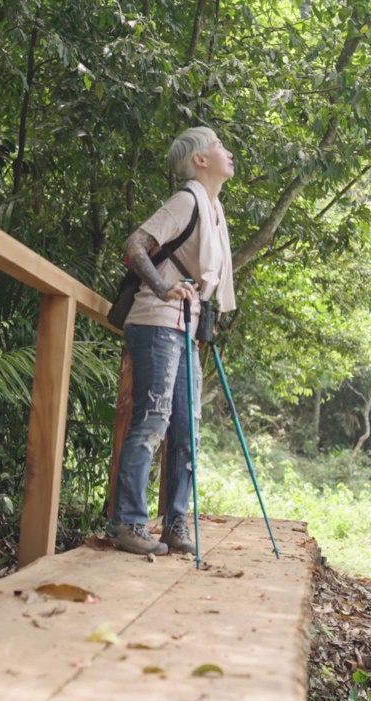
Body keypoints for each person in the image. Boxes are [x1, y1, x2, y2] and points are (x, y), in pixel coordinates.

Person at [110, 127, 237, 555]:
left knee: (186, 428)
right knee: (153, 421)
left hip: (186, 326)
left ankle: (176, 523)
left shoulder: (216, 211)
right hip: (157, 320)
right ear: (200, 159)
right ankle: (129, 524)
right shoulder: (187, 201)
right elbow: (135, 246)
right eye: (219, 146)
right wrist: (164, 288)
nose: (228, 152)